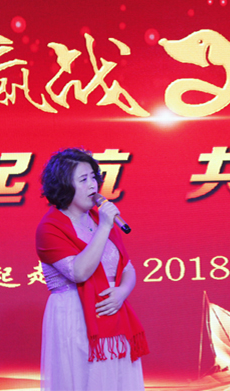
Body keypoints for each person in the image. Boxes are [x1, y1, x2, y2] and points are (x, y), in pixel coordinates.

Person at [36, 148, 148, 391]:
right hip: (75, 316)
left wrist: (121, 293)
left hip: (113, 314)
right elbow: (79, 272)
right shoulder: (50, 228)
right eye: (83, 179)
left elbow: (127, 268)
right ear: (64, 186)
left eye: (93, 177)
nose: (92, 185)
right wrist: (105, 227)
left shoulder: (99, 219)